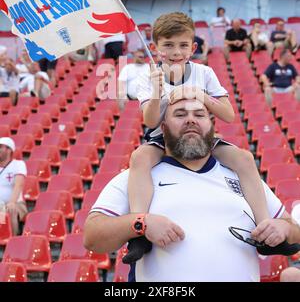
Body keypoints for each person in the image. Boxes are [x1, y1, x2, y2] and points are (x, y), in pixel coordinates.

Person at [83, 97, 299, 282]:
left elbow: (295, 234)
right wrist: (141, 222)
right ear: (163, 127)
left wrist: (284, 229)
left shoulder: (244, 176)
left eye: (199, 114)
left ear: (211, 124)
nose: (190, 120)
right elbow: (92, 236)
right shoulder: (136, 177)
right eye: (179, 114)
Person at [121, 12, 272, 264]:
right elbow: (150, 121)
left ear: (193, 47)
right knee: (139, 158)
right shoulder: (149, 77)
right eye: (168, 45)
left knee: (244, 158)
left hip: (200, 137)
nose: (176, 51)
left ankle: (264, 226)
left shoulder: (204, 73)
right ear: (156, 48)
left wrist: (201, 96)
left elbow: (229, 115)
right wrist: (160, 93)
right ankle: (139, 230)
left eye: (182, 45)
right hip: (163, 138)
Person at [0, 137, 27, 235]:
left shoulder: (18, 164)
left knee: (10, 210)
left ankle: (12, 240)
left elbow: (18, 184)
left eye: (0, 147)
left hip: (16, 203)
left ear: (9, 149)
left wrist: (12, 202)